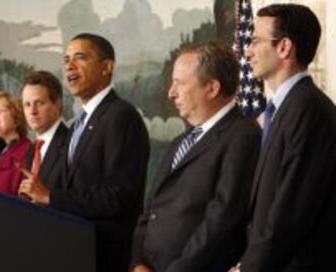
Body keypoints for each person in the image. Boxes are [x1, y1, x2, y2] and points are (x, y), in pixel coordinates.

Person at [18, 33, 150, 272]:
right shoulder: (80, 121)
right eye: (66, 59)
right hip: (74, 252)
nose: (69, 65)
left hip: (106, 257)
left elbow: (117, 196)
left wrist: (51, 197)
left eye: (80, 57)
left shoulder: (121, 116)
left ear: (107, 67)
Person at [130, 42, 261, 272]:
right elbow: (149, 210)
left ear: (211, 88)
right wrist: (137, 262)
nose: (171, 93)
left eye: (179, 83)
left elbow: (222, 219)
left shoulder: (243, 136)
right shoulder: (179, 142)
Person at [233, 4, 336, 272]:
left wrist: (248, 268)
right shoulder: (286, 108)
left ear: (284, 47)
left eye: (255, 40)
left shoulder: (308, 109)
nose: (247, 51)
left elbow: (291, 209)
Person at [19, 71, 68, 197]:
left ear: (57, 105)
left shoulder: (71, 143)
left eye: (39, 103)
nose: (32, 111)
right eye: (27, 105)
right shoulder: (31, 150)